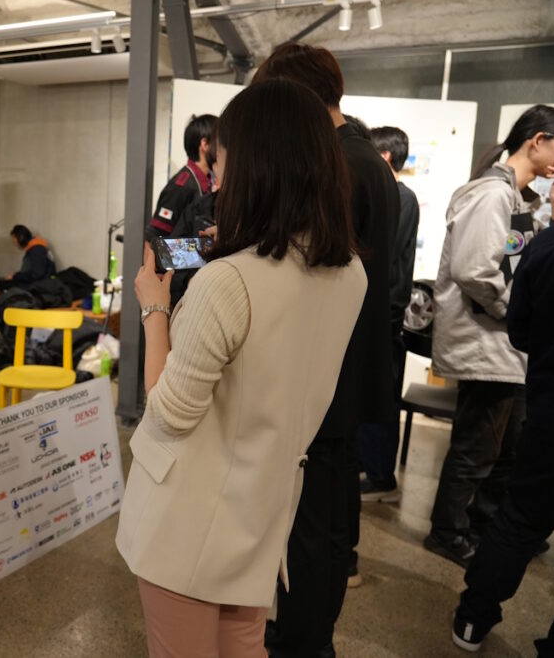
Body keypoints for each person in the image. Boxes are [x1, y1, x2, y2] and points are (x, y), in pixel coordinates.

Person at [116, 78, 367, 658]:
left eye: (223, 166)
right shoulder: (350, 273)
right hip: (263, 509)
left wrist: (155, 309)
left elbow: (167, 414)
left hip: (188, 517)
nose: (218, 182)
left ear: (254, 168)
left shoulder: (226, 283)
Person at [253, 42, 399, 657]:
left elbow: (308, 268)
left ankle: (302, 641)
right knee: (331, 517)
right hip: (349, 367)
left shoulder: (339, 166)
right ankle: (308, 635)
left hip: (324, 373)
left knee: (310, 525)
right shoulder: (368, 160)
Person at [425, 105, 554, 568]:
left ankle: (483, 523)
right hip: (485, 343)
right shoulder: (493, 195)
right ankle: (448, 531)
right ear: (537, 141)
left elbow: (512, 268)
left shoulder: (517, 198)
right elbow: (475, 271)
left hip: (502, 346)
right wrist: (514, 314)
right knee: (476, 447)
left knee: (502, 448)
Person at [452, 176, 554, 655]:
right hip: (506, 372)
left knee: (519, 517)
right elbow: (474, 268)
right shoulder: (501, 198)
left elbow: (520, 328)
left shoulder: (544, 243)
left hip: (549, 407)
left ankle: (473, 617)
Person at [358, 126, 421, 502]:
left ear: (383, 156)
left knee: (382, 395)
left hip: (387, 316)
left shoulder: (402, 198)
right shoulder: (394, 196)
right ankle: (372, 468)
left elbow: (385, 254)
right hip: (380, 312)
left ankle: (382, 476)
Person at [147, 113, 218, 240]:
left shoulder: (207, 182)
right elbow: (154, 235)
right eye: (220, 143)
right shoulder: (182, 186)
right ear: (204, 145)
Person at [0, 224, 56, 290]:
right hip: (38, 282)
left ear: (21, 237)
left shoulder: (37, 249)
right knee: (3, 283)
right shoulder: (35, 247)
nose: (15, 245)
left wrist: (16, 277)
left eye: (15, 242)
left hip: (41, 285)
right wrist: (15, 276)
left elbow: (37, 275)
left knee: (1, 285)